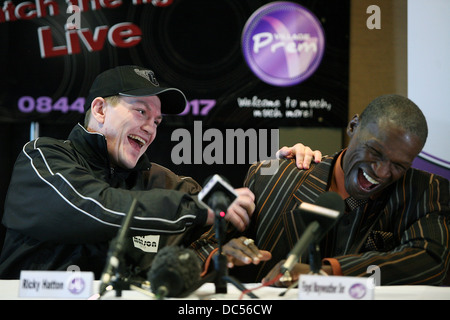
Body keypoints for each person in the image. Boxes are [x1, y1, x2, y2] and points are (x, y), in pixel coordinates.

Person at [0, 65, 257, 279]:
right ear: (100, 109)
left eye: (156, 121)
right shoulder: (42, 157)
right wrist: (197, 209)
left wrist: (284, 165)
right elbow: (95, 207)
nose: (150, 128)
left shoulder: (164, 183)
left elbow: (228, 216)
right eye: (141, 111)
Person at [194, 94, 450, 286]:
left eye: (398, 165)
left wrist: (327, 273)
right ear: (352, 127)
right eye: (374, 152)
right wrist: (224, 253)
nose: (382, 172)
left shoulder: (427, 191)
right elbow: (202, 247)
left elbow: (431, 261)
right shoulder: (271, 178)